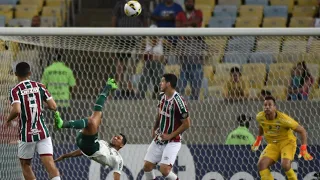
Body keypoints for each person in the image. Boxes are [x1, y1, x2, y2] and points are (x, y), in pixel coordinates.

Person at [54, 78, 127, 180]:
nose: (115, 137)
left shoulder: (118, 160)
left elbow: (117, 177)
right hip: (82, 141)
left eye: (118, 138)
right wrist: (65, 156)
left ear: (122, 145)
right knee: (94, 118)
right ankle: (108, 87)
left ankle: (108, 86)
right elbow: (82, 151)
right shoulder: (103, 143)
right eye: (115, 136)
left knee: (92, 120)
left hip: (91, 148)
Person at [6, 62, 61, 180]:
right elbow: (53, 106)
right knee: (50, 164)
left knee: (25, 165)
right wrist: (39, 104)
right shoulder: (40, 86)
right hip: (42, 131)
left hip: (27, 134)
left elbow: (16, 110)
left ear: (16, 74)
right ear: (30, 73)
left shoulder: (15, 90)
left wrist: (8, 120)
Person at [252, 95, 313, 180]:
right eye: (265, 105)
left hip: (287, 143)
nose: (267, 107)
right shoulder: (260, 116)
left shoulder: (284, 119)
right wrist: (258, 139)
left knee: (285, 164)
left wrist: (303, 148)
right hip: (273, 144)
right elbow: (261, 125)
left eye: (270, 105)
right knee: (261, 165)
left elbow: (302, 130)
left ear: (275, 107)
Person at [143, 73, 191, 180]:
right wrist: (154, 128)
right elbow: (160, 113)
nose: (160, 83)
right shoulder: (161, 96)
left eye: (163, 81)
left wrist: (170, 136)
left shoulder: (179, 101)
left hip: (172, 141)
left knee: (164, 170)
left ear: (168, 84)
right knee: (147, 166)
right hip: (160, 137)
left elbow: (187, 123)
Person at [138, 35, 165, 99]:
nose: (153, 40)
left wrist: (159, 58)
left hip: (158, 64)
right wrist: (143, 59)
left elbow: (163, 57)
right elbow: (141, 53)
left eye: (155, 38)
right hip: (148, 64)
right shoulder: (145, 41)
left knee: (157, 74)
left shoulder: (162, 41)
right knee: (145, 78)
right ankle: (141, 95)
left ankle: (156, 91)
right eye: (152, 38)